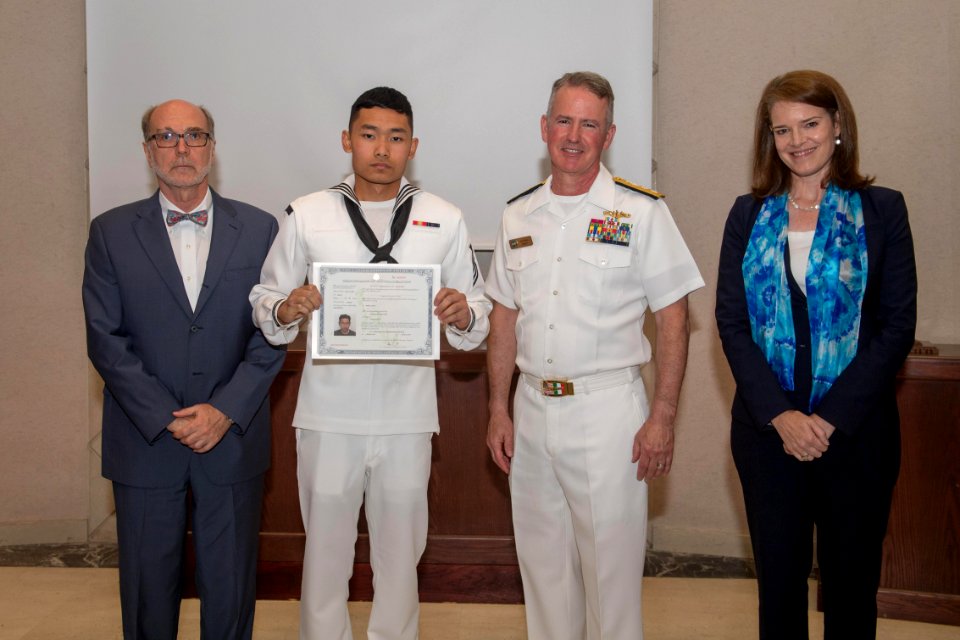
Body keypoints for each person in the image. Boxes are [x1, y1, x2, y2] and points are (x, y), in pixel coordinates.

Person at [249, 86, 490, 640]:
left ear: (413, 147)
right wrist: (289, 305)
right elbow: (264, 298)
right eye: (369, 134)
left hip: (408, 419)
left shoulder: (444, 218)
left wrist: (461, 313)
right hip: (328, 417)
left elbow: (478, 315)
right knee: (325, 560)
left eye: (396, 137)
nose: (382, 148)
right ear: (346, 140)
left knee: (401, 560)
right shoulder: (307, 214)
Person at [485, 71, 704, 639]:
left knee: (610, 580)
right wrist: (497, 409)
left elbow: (674, 318)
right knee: (544, 572)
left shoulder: (641, 212)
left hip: (608, 413)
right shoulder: (517, 214)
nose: (574, 135)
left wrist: (663, 416)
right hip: (531, 413)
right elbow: (504, 319)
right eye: (564, 120)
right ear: (544, 127)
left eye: (590, 123)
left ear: (609, 136)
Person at [715, 70, 917, 640]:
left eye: (810, 124)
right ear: (769, 139)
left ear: (837, 127)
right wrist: (781, 416)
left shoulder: (881, 210)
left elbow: (897, 326)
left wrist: (826, 419)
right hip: (766, 434)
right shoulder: (747, 214)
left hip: (856, 434)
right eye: (782, 129)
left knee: (852, 590)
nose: (796, 140)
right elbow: (730, 323)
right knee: (778, 590)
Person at [82, 99, 286, 639]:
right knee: (148, 594)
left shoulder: (261, 228)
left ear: (212, 147)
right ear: (147, 150)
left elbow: (274, 334)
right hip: (146, 440)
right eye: (166, 137)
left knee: (231, 590)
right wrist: (168, 417)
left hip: (232, 438)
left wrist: (223, 410)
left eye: (194, 136)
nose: (181, 148)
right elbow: (105, 339)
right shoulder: (110, 232)